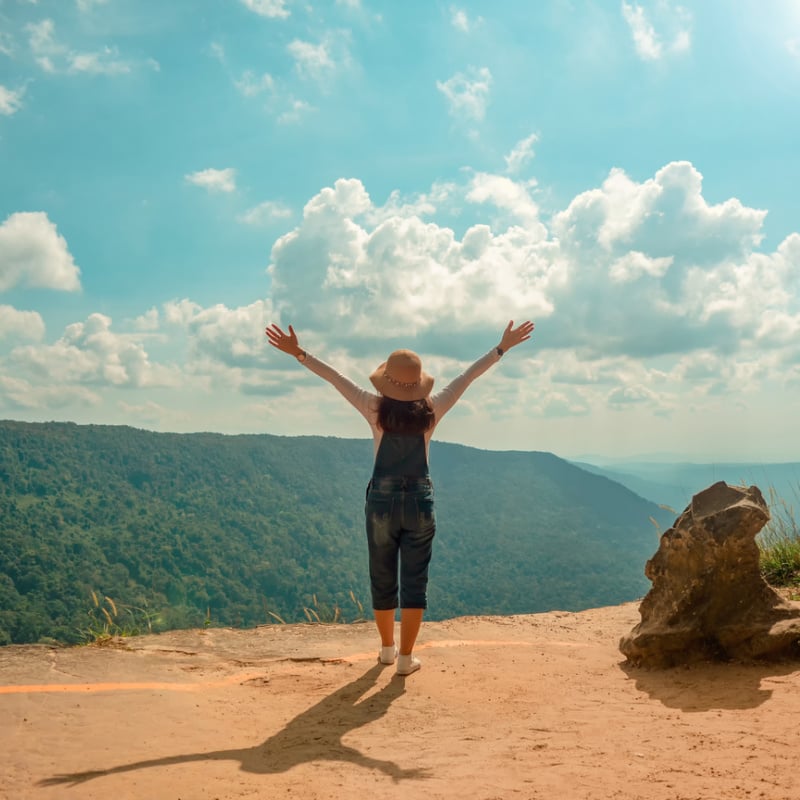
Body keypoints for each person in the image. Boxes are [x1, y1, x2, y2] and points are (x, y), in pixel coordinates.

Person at [265, 320, 535, 675]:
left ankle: (387, 650)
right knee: (415, 580)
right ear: (418, 384)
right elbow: (467, 378)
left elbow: (335, 378)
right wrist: (500, 349)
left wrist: (299, 353)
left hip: (380, 501)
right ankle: (407, 659)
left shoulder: (373, 408)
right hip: (420, 501)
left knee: (381, 575)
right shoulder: (433, 410)